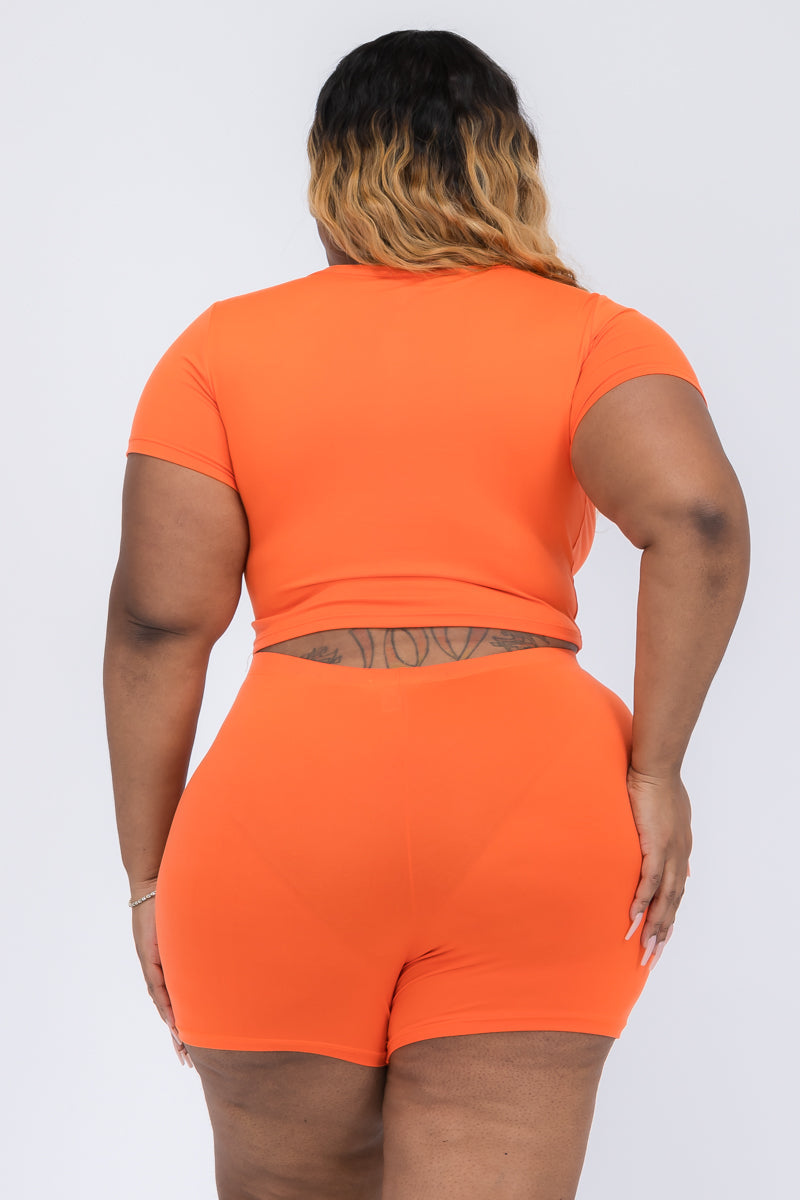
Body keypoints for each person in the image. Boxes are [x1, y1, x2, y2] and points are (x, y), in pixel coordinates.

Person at [103, 27, 750, 1200]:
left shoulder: (215, 351)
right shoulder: (592, 336)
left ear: (327, 176)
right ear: (506, 165)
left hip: (281, 817)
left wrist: (148, 878)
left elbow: (158, 622)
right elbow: (697, 520)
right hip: (535, 811)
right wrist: (655, 770)